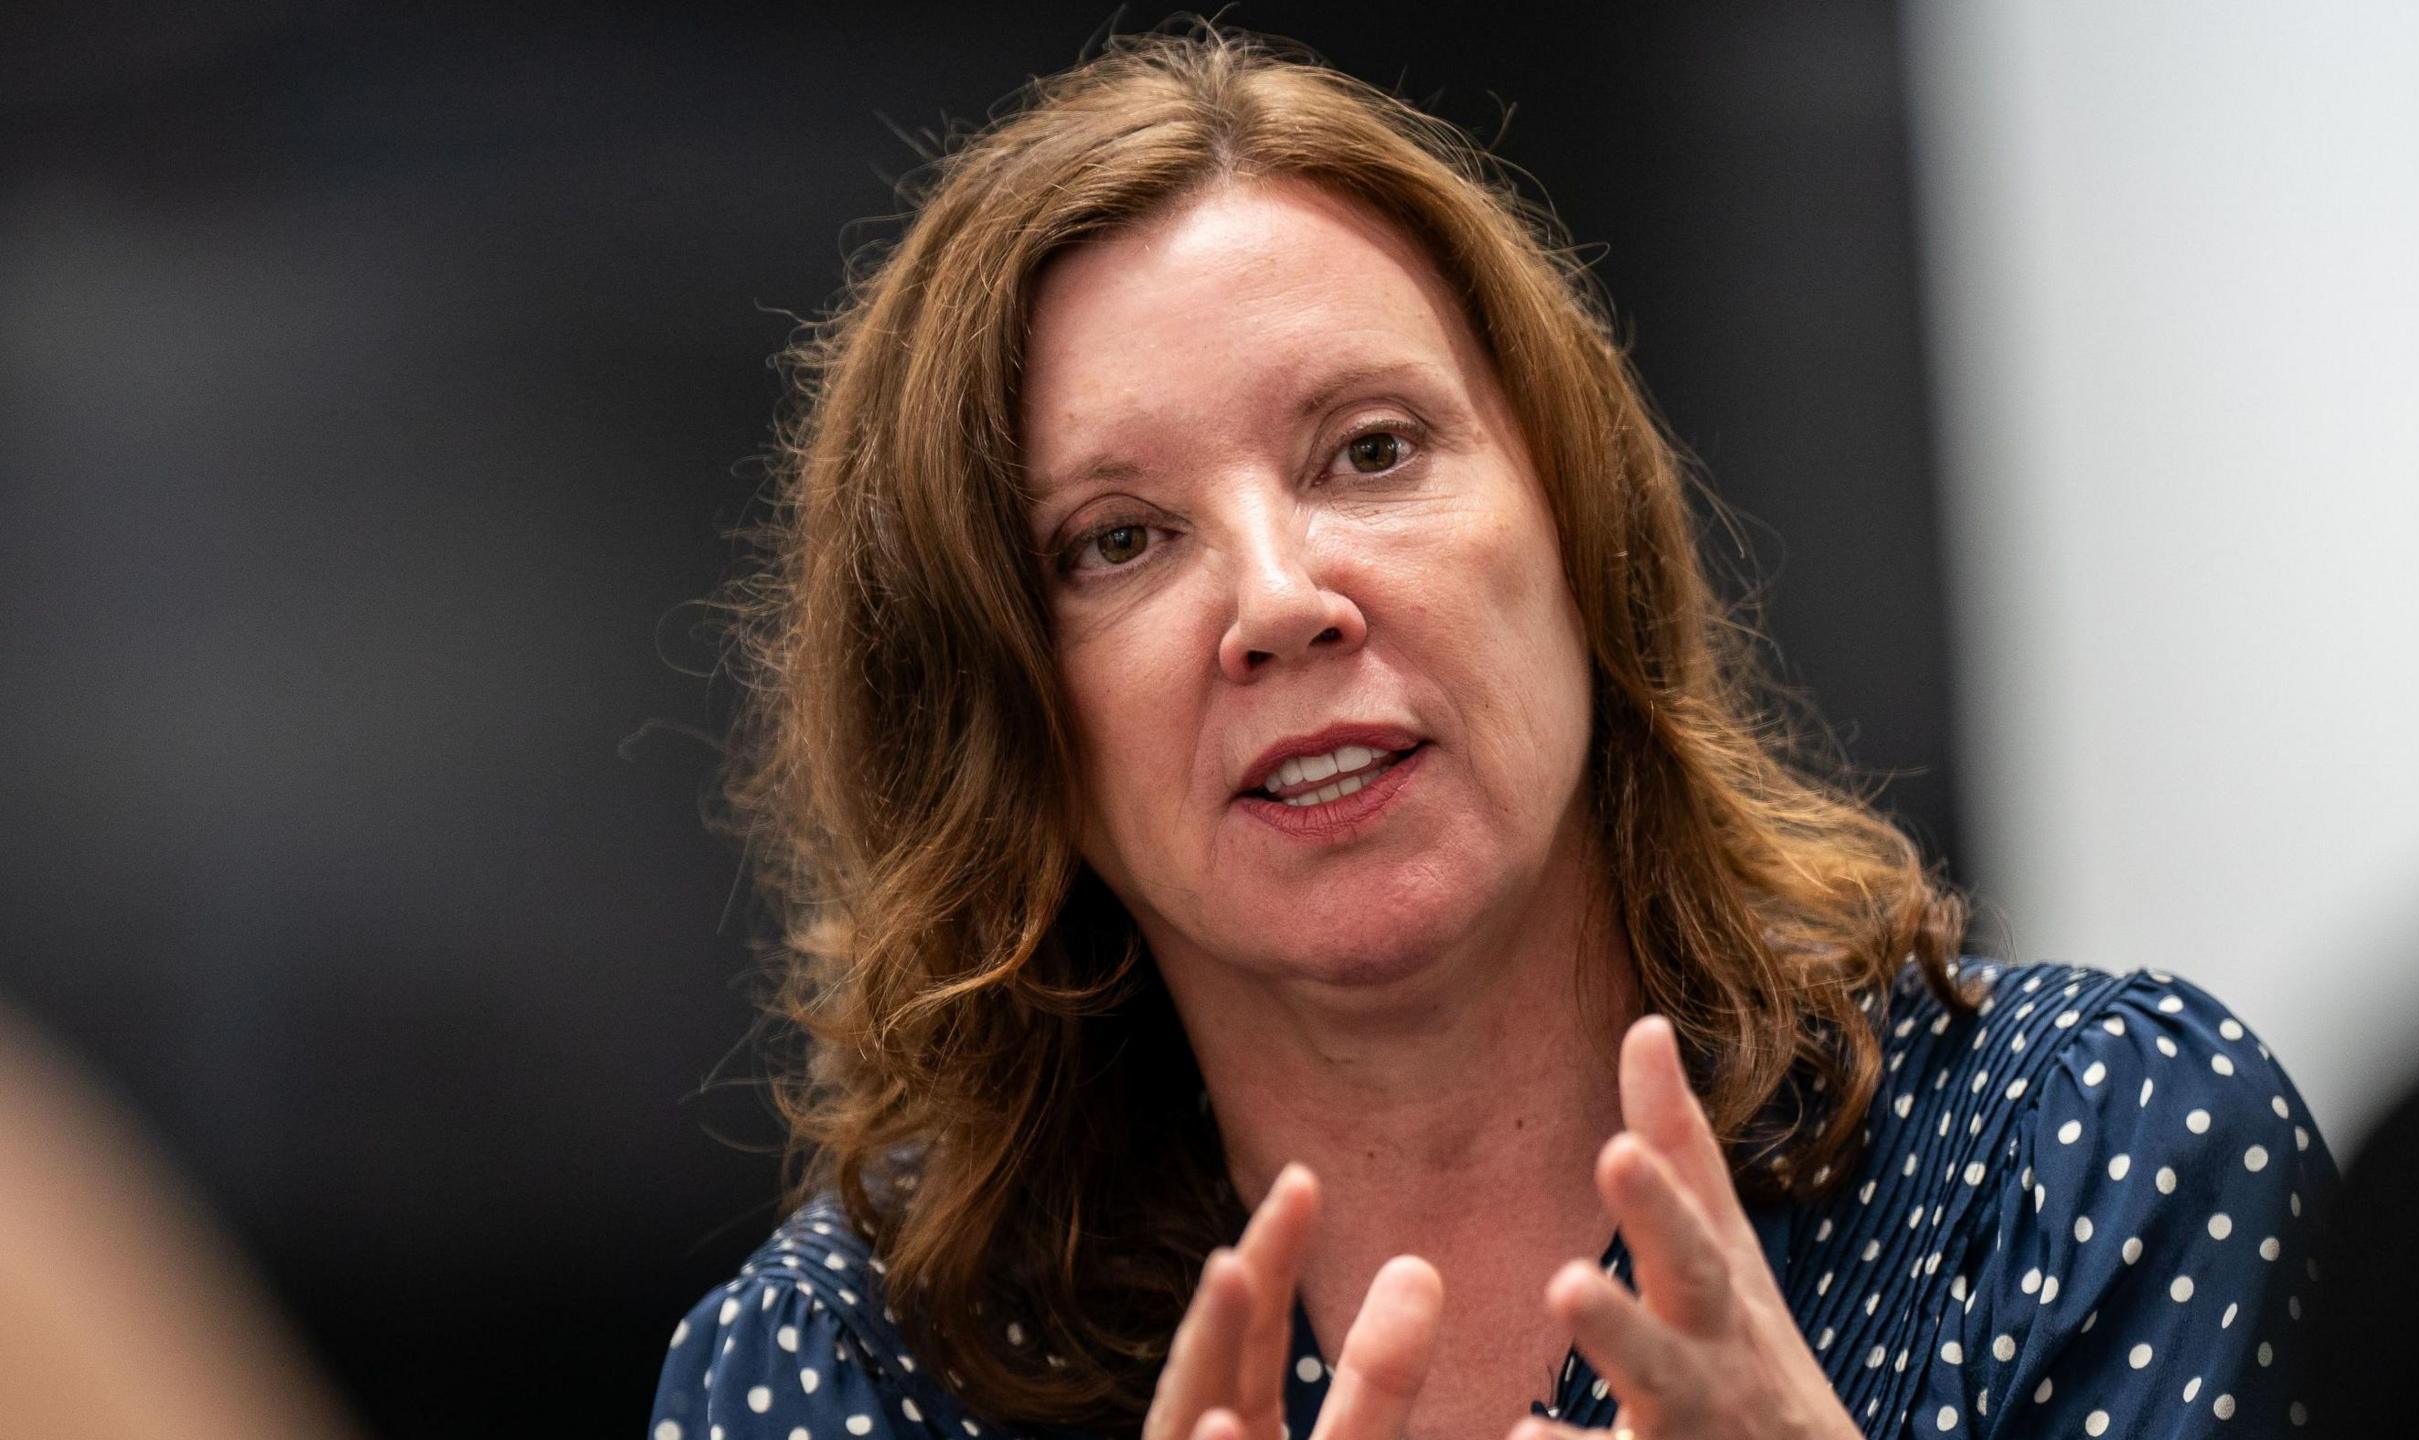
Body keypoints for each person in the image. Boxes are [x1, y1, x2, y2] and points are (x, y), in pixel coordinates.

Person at [651, 26, 2332, 1440]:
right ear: (1003, 726)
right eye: (1113, 541)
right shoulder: (834, 1382)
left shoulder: (2095, 1155)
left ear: (1575, 529)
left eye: (1369, 452)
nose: (1280, 596)